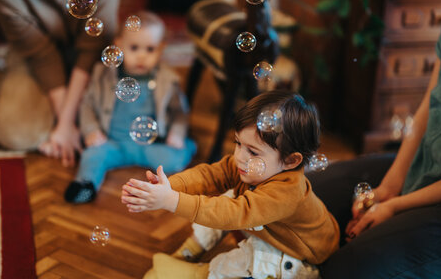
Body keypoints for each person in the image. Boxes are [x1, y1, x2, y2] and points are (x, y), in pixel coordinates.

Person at [306, 0, 441, 277]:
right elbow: (430, 103)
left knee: (348, 268)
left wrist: (398, 206)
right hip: (425, 167)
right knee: (305, 195)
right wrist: (391, 184)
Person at [122, 90, 340, 279]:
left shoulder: (287, 192)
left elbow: (234, 214)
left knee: (245, 248)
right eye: (238, 143)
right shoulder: (249, 166)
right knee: (226, 195)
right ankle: (191, 249)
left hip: (299, 260)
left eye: (253, 152)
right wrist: (169, 186)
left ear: (291, 160)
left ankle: (205, 273)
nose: (239, 157)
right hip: (269, 230)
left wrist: (171, 201)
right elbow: (210, 176)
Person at [0, 0, 120, 167]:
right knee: (15, 135)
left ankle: (62, 113)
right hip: (37, 59)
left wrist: (66, 121)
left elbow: (93, 46)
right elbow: (41, 55)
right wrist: (66, 123)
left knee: (114, 125)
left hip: (93, 59)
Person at [64, 11, 196, 204]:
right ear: (119, 45)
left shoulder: (167, 80)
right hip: (112, 143)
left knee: (172, 160)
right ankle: (86, 185)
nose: (142, 56)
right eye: (134, 48)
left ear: (161, 50)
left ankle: (189, 147)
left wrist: (176, 133)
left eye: (150, 49)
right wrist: (91, 130)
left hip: (150, 144)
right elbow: (87, 105)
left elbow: (179, 112)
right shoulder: (104, 75)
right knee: (92, 155)